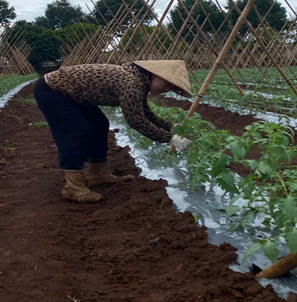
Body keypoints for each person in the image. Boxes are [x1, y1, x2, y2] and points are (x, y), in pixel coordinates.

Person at [33, 60, 192, 203]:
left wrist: (171, 128)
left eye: (171, 87)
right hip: (52, 91)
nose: (167, 89)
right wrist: (171, 139)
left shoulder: (139, 80)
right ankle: (73, 188)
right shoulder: (132, 82)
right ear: (155, 75)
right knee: (76, 131)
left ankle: (99, 174)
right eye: (167, 83)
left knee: (99, 124)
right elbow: (136, 120)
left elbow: (145, 112)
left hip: (74, 96)